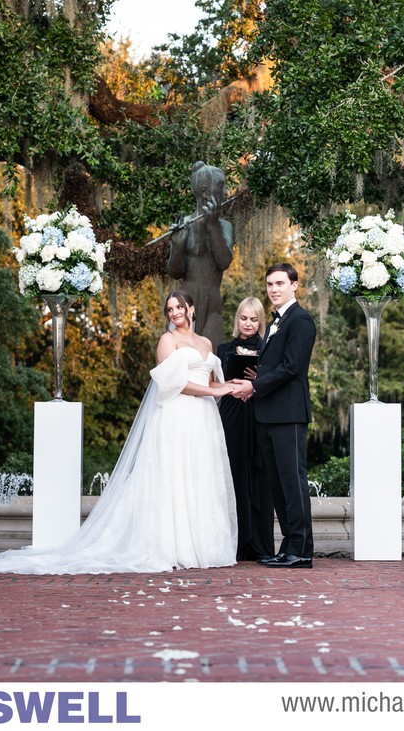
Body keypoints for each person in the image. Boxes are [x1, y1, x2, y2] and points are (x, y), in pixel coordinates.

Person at [0, 291, 237, 575]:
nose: (174, 313)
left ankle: (201, 543)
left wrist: (232, 388)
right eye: (170, 309)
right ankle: (175, 546)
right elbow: (174, 384)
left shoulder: (206, 343)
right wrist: (218, 390)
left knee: (198, 473)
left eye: (179, 308)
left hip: (203, 417)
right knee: (175, 475)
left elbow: (211, 383)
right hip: (177, 413)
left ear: (192, 309)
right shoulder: (167, 340)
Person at [230, 264, 317, 568]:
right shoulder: (278, 322)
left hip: (289, 414)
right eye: (269, 284)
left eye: (280, 283)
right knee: (278, 484)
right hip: (268, 414)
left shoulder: (301, 320)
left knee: (292, 482)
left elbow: (292, 367)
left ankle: (302, 550)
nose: (274, 289)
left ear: (295, 285)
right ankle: (289, 545)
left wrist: (254, 386)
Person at [216, 297, 266, 560]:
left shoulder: (269, 348)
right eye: (244, 318)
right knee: (232, 473)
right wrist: (232, 387)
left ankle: (258, 544)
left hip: (257, 413)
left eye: (253, 319)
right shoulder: (223, 349)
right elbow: (215, 382)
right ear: (237, 319)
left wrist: (258, 383)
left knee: (258, 475)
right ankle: (232, 543)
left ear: (260, 321)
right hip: (231, 413)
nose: (248, 323)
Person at [167, 162, 234, 348]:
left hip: (213, 300)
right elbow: (175, 271)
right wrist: (178, 245)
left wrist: (212, 225)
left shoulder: (224, 227)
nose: (226, 192)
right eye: (221, 186)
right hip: (187, 301)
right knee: (183, 360)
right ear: (205, 192)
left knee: (212, 358)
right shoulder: (185, 225)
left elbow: (224, 262)